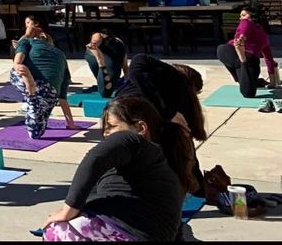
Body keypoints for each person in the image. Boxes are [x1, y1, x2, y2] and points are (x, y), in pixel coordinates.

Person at [41, 97, 187, 242]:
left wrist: (68, 209)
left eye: (111, 126)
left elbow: (96, 157)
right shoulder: (162, 169)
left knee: (56, 230)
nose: (106, 134)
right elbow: (173, 218)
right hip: (142, 232)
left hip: (124, 229)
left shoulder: (136, 142)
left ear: (141, 128)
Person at [118, 54, 206, 195]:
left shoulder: (172, 91)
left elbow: (137, 62)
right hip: (127, 116)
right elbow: (187, 149)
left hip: (116, 117)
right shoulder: (176, 85)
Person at [11, 27, 79, 139]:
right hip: (50, 92)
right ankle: (32, 99)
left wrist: (17, 63)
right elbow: (62, 96)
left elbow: (18, 60)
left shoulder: (27, 41)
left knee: (16, 71)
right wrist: (70, 123)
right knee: (36, 132)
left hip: (33, 83)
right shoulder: (61, 54)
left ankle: (31, 95)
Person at [216, 8, 277, 98]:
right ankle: (242, 64)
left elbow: (244, 28)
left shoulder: (246, 22)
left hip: (231, 52)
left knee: (221, 49)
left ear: (253, 17)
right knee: (248, 93)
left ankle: (242, 69)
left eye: (243, 15)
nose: (241, 18)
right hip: (244, 56)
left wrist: (242, 38)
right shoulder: (265, 37)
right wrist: (272, 82)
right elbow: (269, 60)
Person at [84, 31, 129, 99]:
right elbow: (96, 37)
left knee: (105, 91)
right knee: (105, 86)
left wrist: (128, 83)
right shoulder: (95, 42)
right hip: (97, 53)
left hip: (112, 52)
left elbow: (125, 67)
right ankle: (101, 66)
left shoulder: (118, 46)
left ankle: (102, 68)